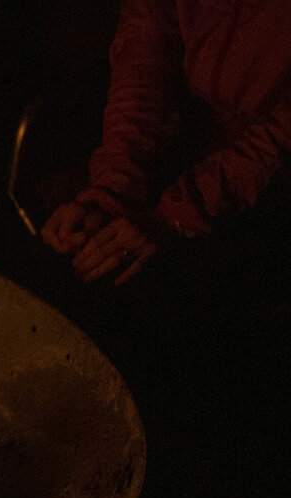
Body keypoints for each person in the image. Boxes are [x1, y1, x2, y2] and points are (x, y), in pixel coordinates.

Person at [40, 0, 291, 287]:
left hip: (271, 194)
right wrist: (111, 194)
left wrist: (177, 216)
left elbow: (281, 137)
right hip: (183, 150)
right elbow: (142, 65)